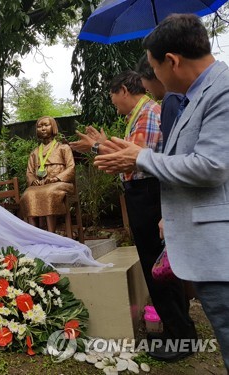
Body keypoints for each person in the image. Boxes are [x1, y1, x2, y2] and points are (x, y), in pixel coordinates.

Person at [95, 14, 229, 369]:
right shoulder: (192, 96)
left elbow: (212, 166)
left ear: (171, 61)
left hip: (219, 247)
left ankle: (179, 331)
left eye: (154, 68)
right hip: (200, 240)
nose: (154, 79)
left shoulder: (221, 90)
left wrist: (140, 157)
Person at [71, 71, 198, 361]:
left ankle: (180, 336)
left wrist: (96, 147)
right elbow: (132, 153)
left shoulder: (147, 114)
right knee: (158, 265)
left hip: (148, 193)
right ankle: (176, 329)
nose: (113, 103)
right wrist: (100, 144)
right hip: (145, 192)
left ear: (124, 90)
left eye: (112, 96)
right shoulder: (144, 114)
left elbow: (133, 158)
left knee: (158, 265)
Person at [19, 116, 75, 233]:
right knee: (27, 195)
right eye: (40, 126)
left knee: (48, 193)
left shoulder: (63, 148)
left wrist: (56, 178)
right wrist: (34, 180)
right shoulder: (34, 153)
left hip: (60, 183)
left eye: (46, 125)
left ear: (53, 127)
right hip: (40, 185)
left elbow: (71, 168)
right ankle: (36, 235)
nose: (43, 128)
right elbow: (29, 172)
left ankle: (51, 234)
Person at [135, 54, 183, 148]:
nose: (145, 89)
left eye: (142, 81)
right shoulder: (181, 95)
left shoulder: (171, 99)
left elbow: (170, 152)